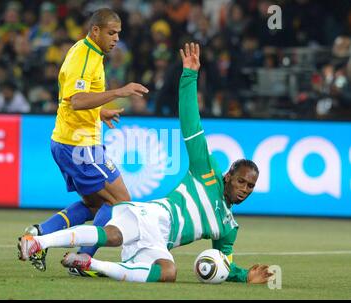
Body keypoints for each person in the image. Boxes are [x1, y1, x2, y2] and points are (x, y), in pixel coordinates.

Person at [18, 43, 273, 284]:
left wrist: (244, 276)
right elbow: (190, 122)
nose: (244, 189)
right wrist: (189, 77)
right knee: (113, 234)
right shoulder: (206, 170)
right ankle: (40, 242)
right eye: (241, 181)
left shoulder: (228, 227)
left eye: (250, 186)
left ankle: (90, 263)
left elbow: (224, 263)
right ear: (228, 175)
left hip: (159, 244)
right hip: (155, 216)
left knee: (168, 272)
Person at [21, 8, 149, 275]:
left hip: (68, 142)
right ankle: (81, 260)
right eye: (111, 33)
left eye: (119, 34)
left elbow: (72, 99)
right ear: (96, 31)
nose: (116, 39)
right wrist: (119, 91)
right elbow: (77, 101)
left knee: (95, 205)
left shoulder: (87, 52)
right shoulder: (84, 56)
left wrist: (100, 112)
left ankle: (38, 235)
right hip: (80, 146)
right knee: (119, 202)